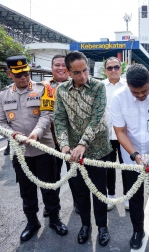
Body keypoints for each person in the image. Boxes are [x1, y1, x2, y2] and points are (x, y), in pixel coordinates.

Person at [0, 55, 68, 241]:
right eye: (18, 74)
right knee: (26, 189)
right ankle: (32, 221)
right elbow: (0, 122)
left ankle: (54, 219)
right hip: (20, 152)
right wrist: (13, 135)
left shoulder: (44, 89)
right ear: (9, 74)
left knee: (50, 187)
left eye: (26, 73)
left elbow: (47, 115)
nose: (23, 77)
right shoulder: (3, 96)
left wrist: (36, 133)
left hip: (44, 148)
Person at [111, 64, 149, 249]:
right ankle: (137, 230)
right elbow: (120, 131)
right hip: (131, 155)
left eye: (144, 91)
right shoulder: (119, 97)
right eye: (135, 92)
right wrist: (134, 154)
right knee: (135, 197)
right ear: (127, 86)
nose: (140, 95)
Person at [54, 51, 111, 246]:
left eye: (85, 70)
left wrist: (82, 144)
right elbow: (60, 119)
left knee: (99, 191)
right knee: (79, 191)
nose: (83, 76)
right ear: (68, 72)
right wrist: (63, 144)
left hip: (98, 149)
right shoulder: (61, 90)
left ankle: (102, 227)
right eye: (77, 73)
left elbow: (97, 118)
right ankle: (85, 225)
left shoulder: (98, 86)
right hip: (73, 154)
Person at [40, 54, 79, 217]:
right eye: (57, 65)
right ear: (51, 68)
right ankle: (51, 206)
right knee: (50, 176)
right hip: (49, 140)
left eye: (64, 65)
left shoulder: (78, 85)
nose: (61, 68)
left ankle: (79, 202)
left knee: (75, 174)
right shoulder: (42, 87)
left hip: (73, 140)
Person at [102, 56, 129, 211]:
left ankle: (127, 196)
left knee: (127, 166)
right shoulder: (100, 86)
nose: (113, 70)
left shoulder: (127, 85)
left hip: (125, 134)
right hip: (106, 135)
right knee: (108, 167)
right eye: (110, 68)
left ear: (121, 69)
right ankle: (110, 196)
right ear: (105, 70)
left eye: (116, 67)